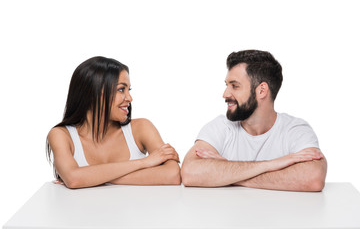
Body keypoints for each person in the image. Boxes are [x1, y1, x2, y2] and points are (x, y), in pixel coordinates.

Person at [181, 50, 327, 191]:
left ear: (261, 90)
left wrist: (228, 172)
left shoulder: (295, 129)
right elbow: (189, 173)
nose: (225, 94)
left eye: (235, 86)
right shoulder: (221, 126)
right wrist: (270, 165)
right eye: (227, 85)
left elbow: (313, 178)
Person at [46, 56, 180, 188]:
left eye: (129, 90)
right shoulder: (61, 135)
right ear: (93, 93)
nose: (129, 98)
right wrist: (144, 163)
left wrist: (92, 177)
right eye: (121, 89)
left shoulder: (141, 128)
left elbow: (173, 175)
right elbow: (74, 179)